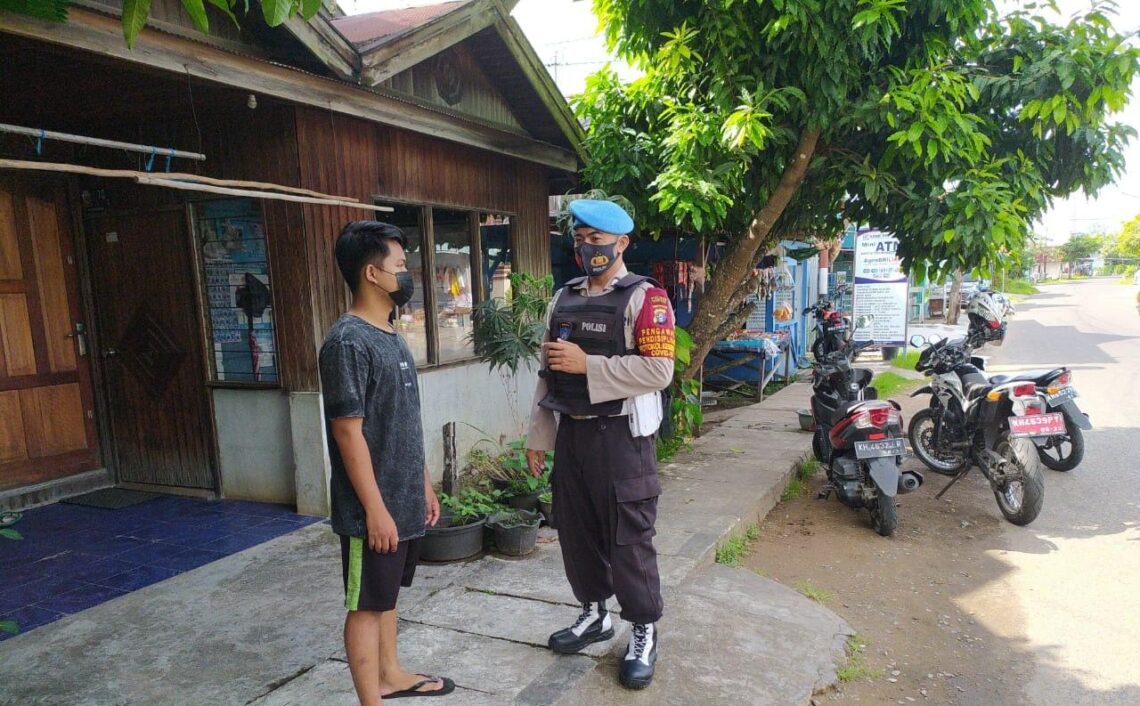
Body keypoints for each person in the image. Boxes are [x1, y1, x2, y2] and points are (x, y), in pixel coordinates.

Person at [525, 199, 676, 690]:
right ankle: (594, 615)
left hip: (622, 440)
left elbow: (659, 371)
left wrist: (587, 364)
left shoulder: (645, 299)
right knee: (576, 530)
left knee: (629, 540)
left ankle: (643, 630)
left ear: (621, 243)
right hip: (572, 434)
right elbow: (548, 372)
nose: (585, 247)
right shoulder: (563, 298)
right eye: (580, 237)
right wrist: (538, 437)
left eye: (595, 239)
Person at [319, 221, 454, 704]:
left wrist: (422, 483)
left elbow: (403, 421)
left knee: (387, 594)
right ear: (372, 274)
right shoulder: (347, 342)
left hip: (402, 496)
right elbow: (347, 431)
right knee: (365, 603)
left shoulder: (391, 335)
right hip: (369, 508)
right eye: (400, 265)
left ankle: (391, 673)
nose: (407, 273)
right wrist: (374, 509)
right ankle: (370, 698)